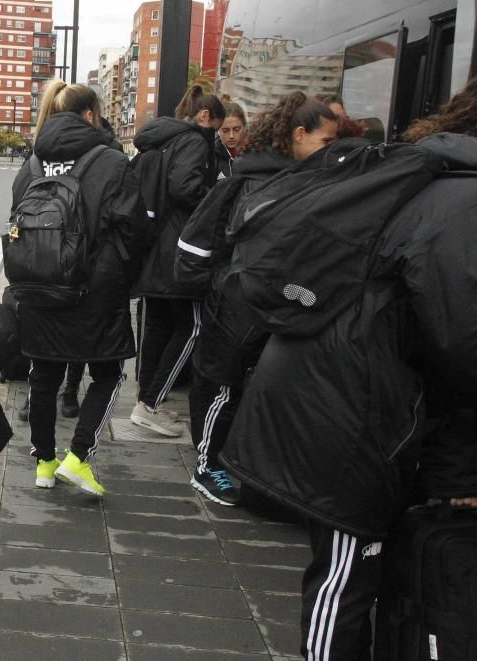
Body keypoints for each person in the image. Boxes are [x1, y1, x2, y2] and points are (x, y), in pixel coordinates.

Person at [221, 64, 477, 660]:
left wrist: (463, 471)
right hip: (346, 407)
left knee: (355, 569)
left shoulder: (447, 176)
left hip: (343, 391)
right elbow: (469, 334)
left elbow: (434, 343)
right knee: (342, 575)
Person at [177, 92, 338, 507]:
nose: (332, 151)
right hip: (237, 305)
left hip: (267, 306)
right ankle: (207, 466)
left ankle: (234, 463)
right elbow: (199, 242)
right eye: (326, 141)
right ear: (299, 136)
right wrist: (215, 292)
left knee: (244, 390)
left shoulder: (294, 180)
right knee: (222, 388)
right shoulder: (253, 181)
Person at [9, 79, 148, 496]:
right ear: (90, 115)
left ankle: (44, 463)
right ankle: (79, 456)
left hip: (39, 290)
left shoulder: (31, 164)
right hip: (95, 290)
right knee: (108, 373)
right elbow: (134, 229)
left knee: (43, 376)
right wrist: (124, 276)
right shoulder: (110, 161)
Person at [131, 84, 226, 438]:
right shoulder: (193, 140)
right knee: (191, 327)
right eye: (217, 126)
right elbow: (184, 187)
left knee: (156, 327)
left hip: (153, 247)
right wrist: (217, 196)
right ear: (205, 116)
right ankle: (150, 402)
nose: (216, 135)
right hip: (178, 248)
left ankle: (146, 400)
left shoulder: (156, 140)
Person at [216, 99, 247, 177]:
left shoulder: (256, 154)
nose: (231, 136)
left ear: (245, 127)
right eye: (225, 131)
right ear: (218, 130)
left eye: (237, 129)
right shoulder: (210, 157)